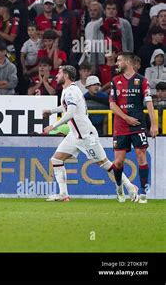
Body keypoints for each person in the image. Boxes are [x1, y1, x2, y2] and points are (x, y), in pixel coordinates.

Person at [43, 65, 138, 202]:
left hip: (86, 135)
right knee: (56, 160)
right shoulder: (71, 90)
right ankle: (63, 194)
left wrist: (53, 126)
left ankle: (130, 187)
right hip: (75, 135)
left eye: (59, 73)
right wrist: (51, 111)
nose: (56, 76)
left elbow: (70, 113)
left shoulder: (70, 91)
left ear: (66, 76)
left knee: (105, 164)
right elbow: (66, 107)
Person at [109, 53, 158, 203]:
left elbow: (149, 102)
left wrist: (154, 124)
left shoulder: (142, 80)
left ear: (128, 62)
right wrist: (125, 118)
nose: (117, 63)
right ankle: (119, 188)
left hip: (138, 124)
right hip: (121, 125)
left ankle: (143, 192)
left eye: (119, 60)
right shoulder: (115, 80)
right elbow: (112, 105)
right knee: (118, 162)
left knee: (141, 155)